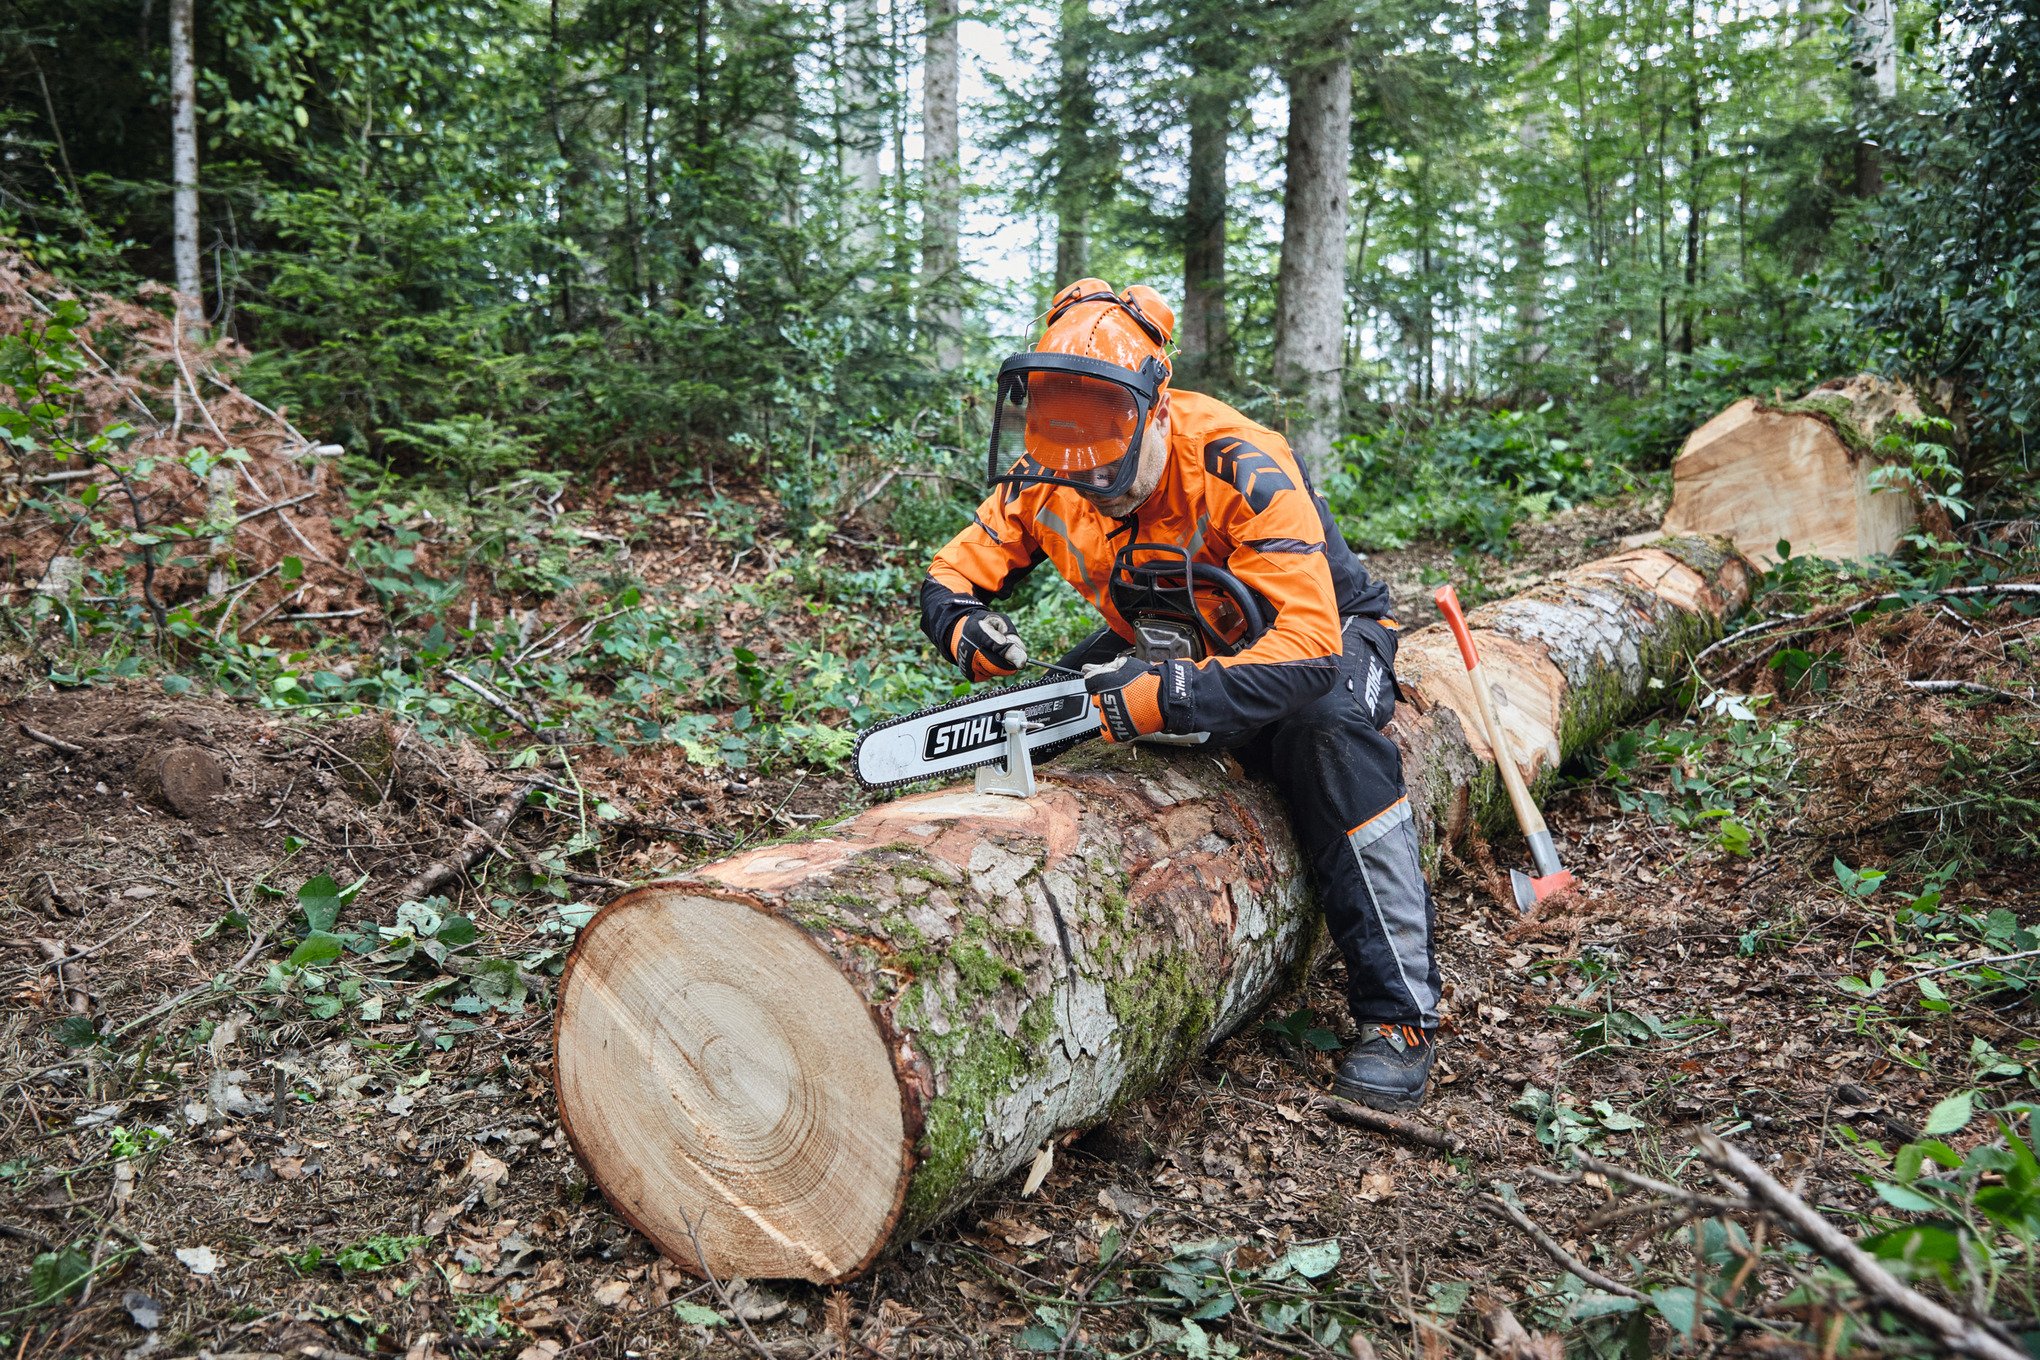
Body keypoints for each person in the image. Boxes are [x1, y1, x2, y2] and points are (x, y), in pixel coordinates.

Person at [917, 278, 1442, 1111]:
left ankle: (1400, 1015)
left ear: (1156, 415)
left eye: (1116, 484)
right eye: (1082, 483)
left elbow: (1307, 650)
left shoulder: (1241, 461)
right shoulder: (1055, 465)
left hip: (1324, 635)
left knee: (1330, 732)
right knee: (1059, 700)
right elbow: (954, 570)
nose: (1099, 497)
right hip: (1172, 630)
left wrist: (1180, 700)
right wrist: (960, 623)